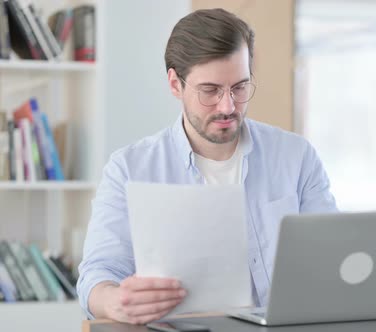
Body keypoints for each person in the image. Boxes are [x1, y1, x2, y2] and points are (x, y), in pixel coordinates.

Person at [76, 8, 337, 324]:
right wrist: (114, 300)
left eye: (239, 87)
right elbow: (98, 273)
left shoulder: (296, 157)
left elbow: (331, 260)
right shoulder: (129, 168)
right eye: (210, 91)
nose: (228, 106)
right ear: (175, 84)